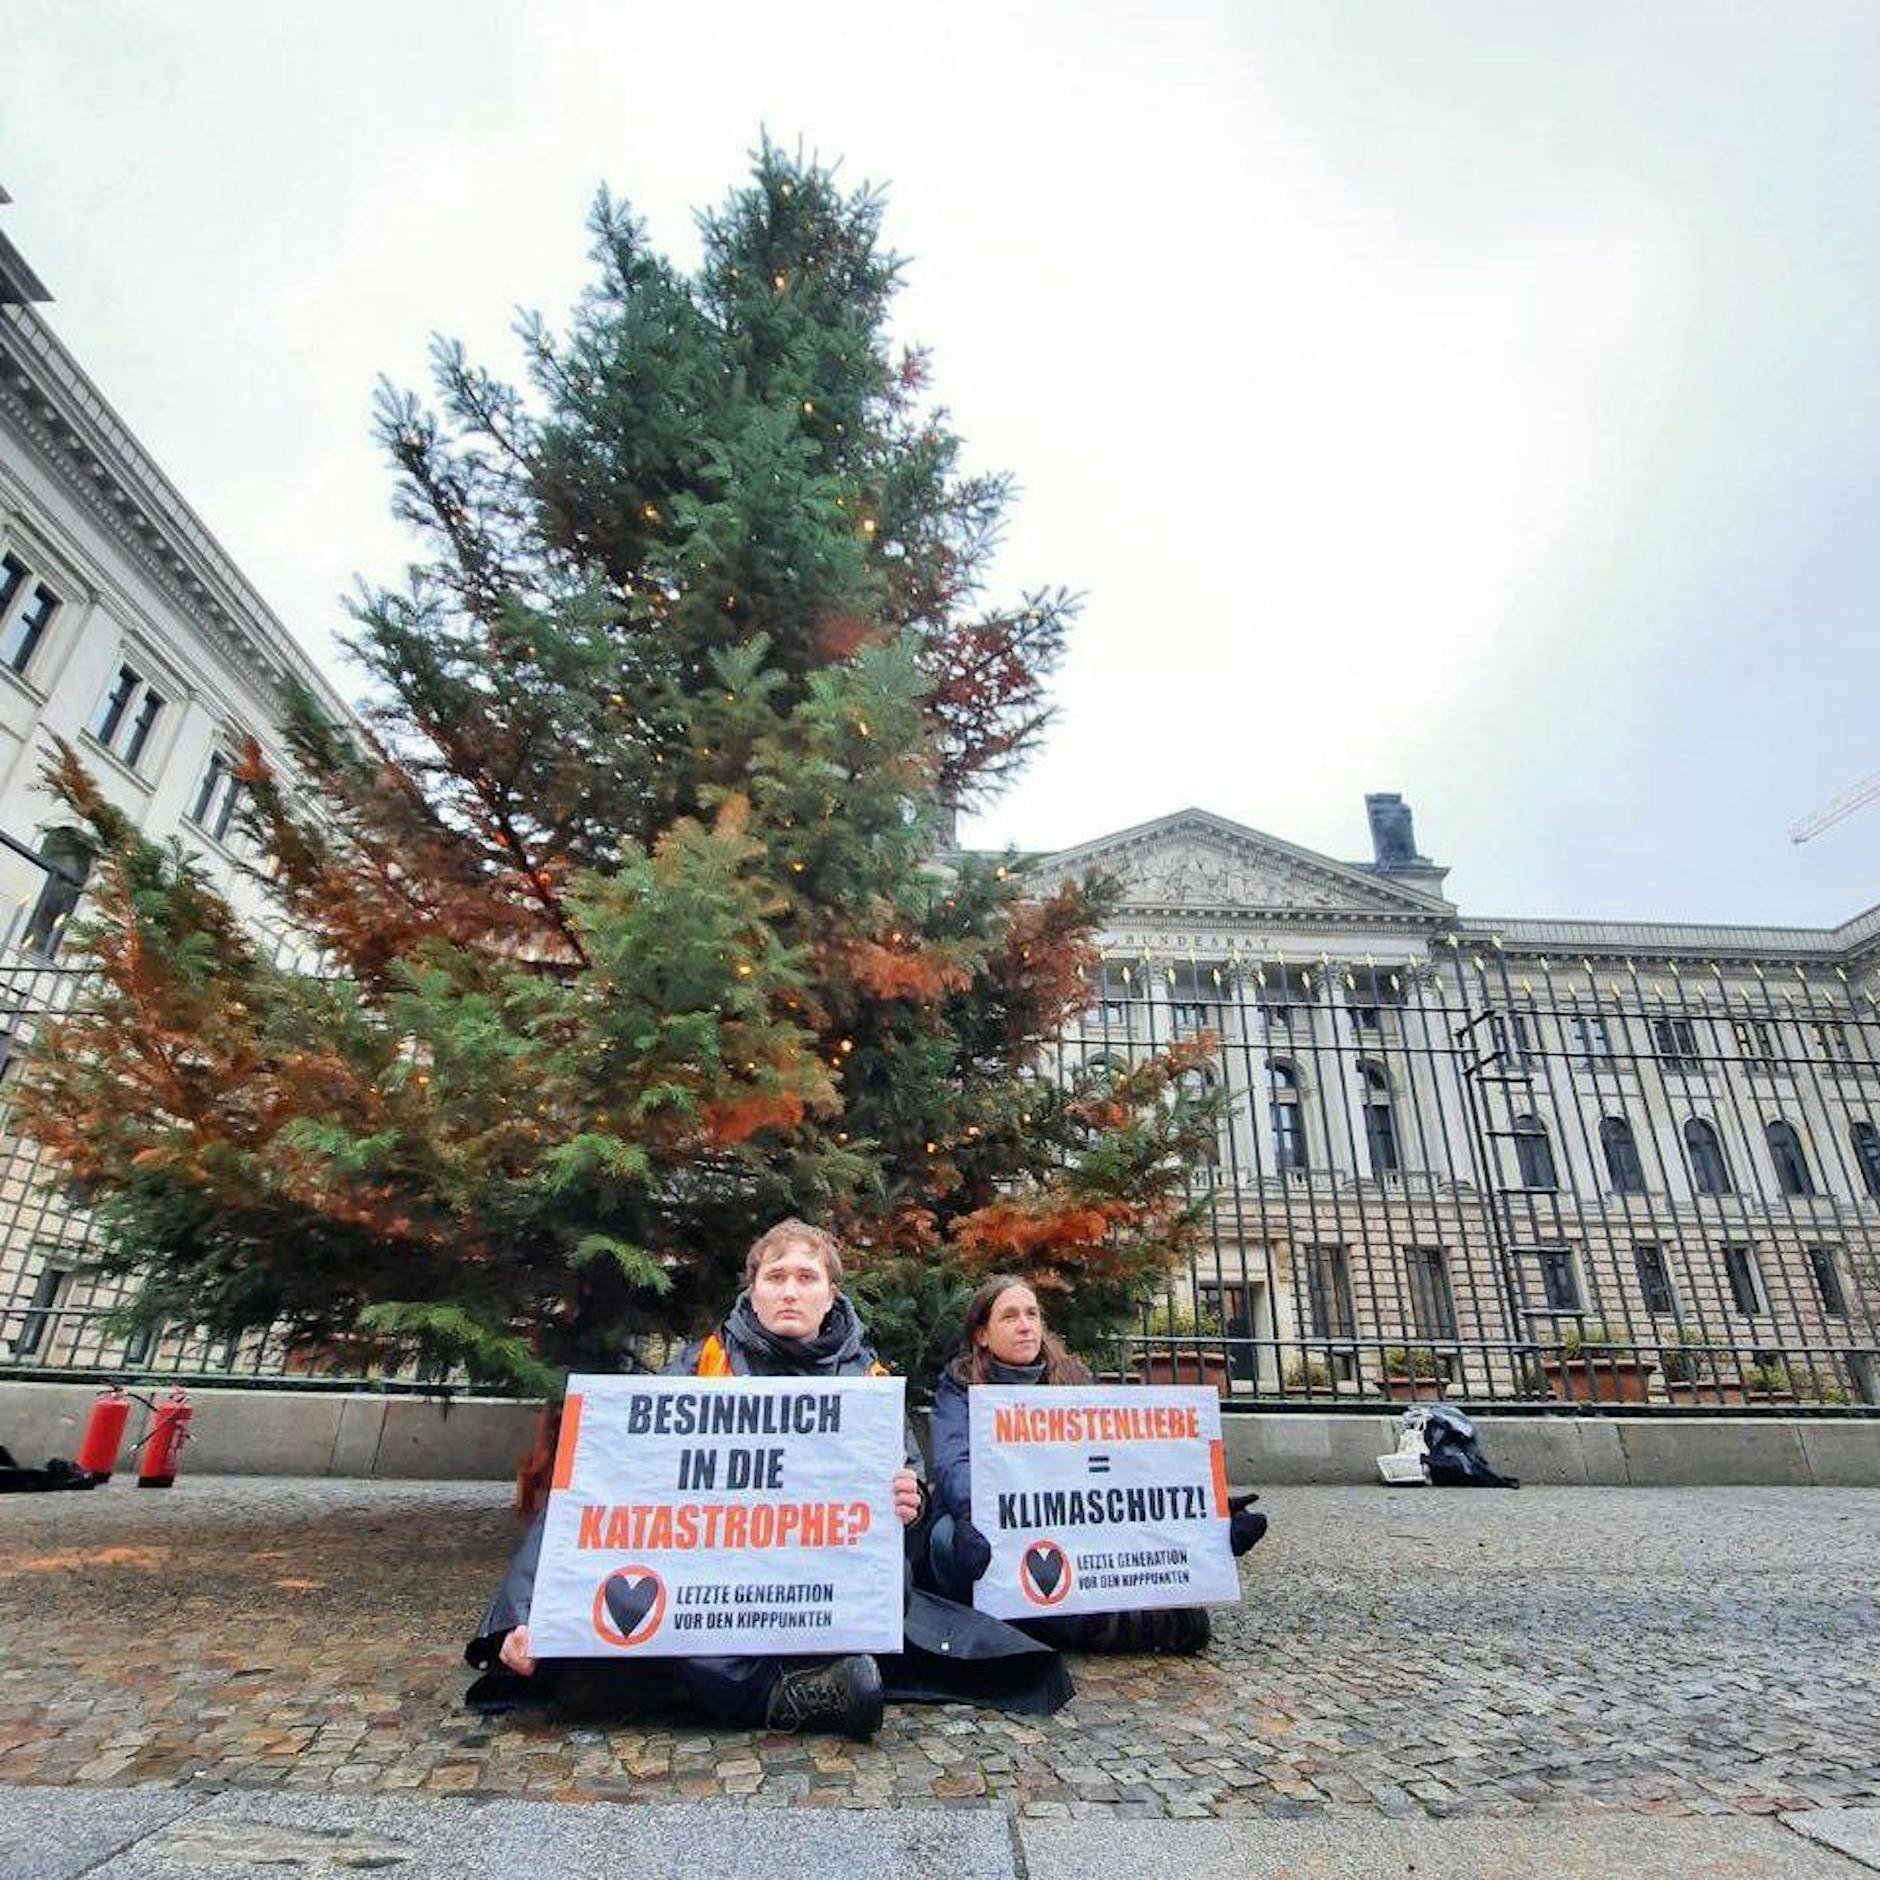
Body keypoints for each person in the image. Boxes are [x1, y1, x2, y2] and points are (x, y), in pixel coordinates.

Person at [465, 1221, 1072, 1735]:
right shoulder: (702, 1369)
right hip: (711, 1581)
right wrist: (528, 1613)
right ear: (752, 1291)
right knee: (660, 1620)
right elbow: (597, 1486)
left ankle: (742, 1685)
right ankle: (780, 1695)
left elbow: (904, 1534)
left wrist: (906, 1507)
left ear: (832, 1294)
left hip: (817, 1590)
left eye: (806, 1278)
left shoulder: (868, 1384)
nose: (789, 1292)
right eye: (774, 1277)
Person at [921, 1274, 1268, 1653]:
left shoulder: (1073, 1382)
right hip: (984, 1525)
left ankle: (1076, 1619)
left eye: (1032, 1314)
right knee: (948, 1544)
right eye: (1010, 1317)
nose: (1025, 1325)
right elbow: (954, 1464)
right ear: (982, 1335)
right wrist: (976, 1513)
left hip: (1060, 1526)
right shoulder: (957, 1385)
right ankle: (1137, 1623)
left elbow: (1123, 1465)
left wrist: (1205, 1514)